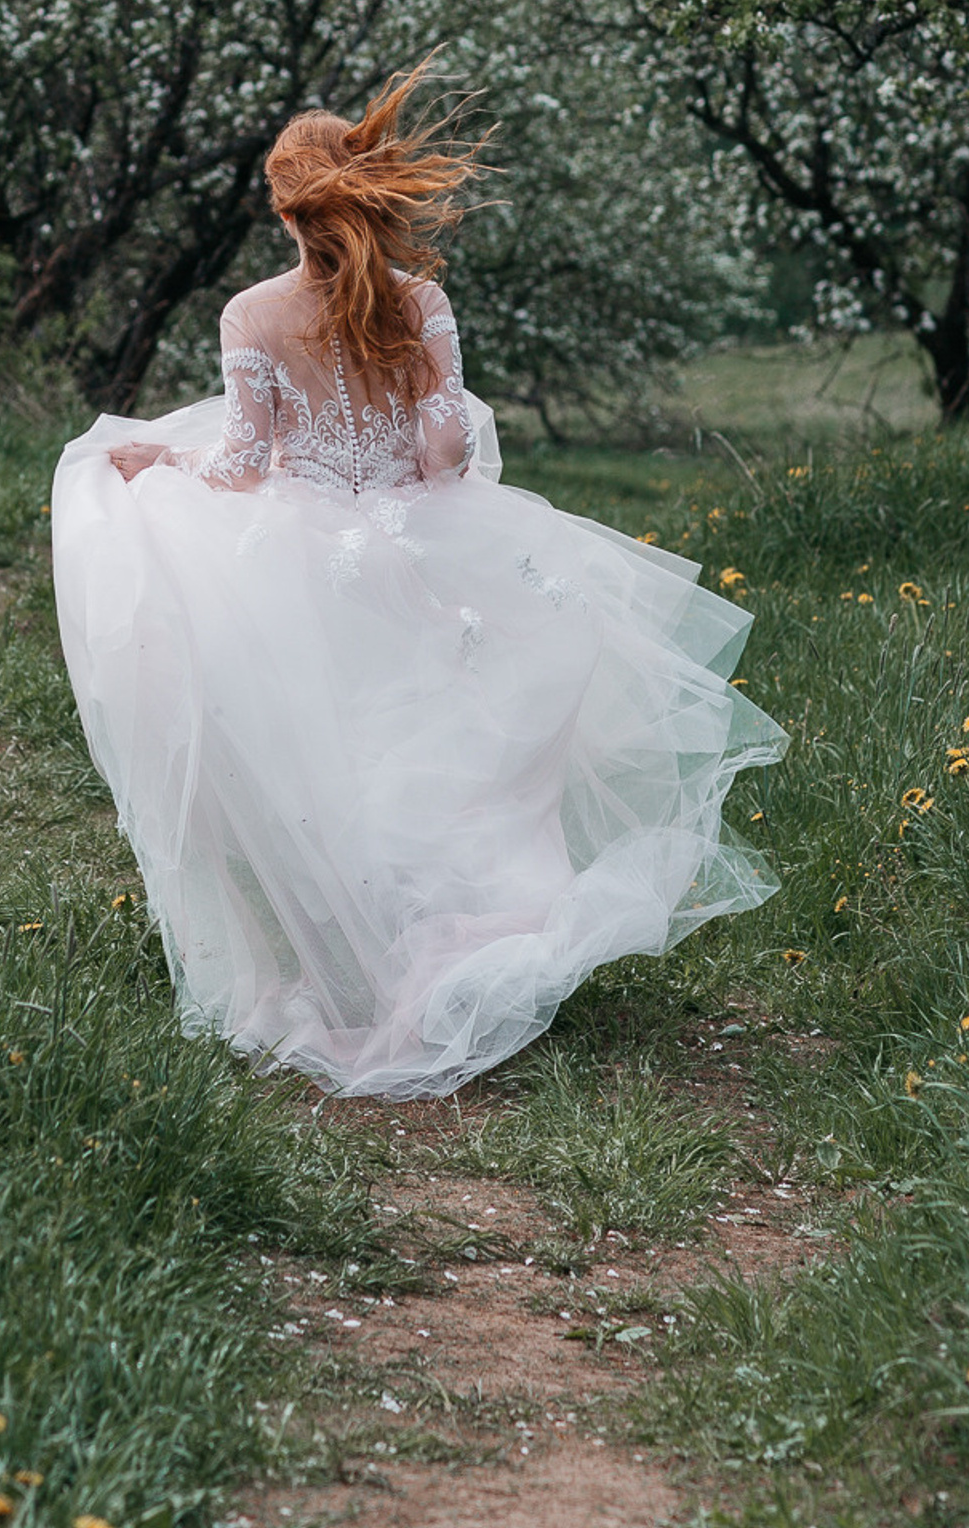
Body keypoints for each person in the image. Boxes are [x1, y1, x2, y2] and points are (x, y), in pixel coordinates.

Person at [50, 64, 784, 1099]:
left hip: (306, 558)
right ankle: (470, 939)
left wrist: (164, 465)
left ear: (283, 204)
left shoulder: (251, 316)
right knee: (459, 738)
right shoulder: (419, 301)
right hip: (428, 540)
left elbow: (244, 463)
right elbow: (443, 455)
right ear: (368, 189)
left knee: (344, 748)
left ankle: (375, 957)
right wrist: (426, 445)